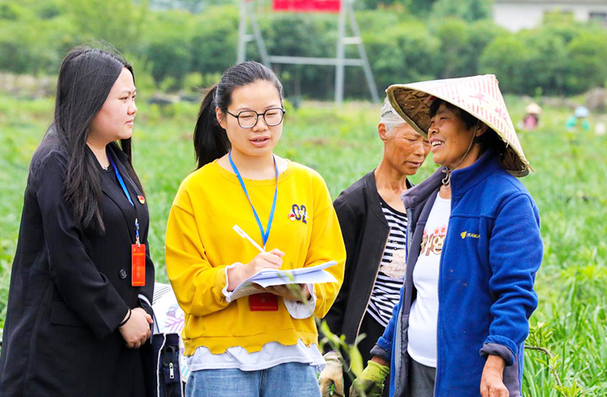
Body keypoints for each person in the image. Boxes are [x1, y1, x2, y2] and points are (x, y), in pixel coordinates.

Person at [352, 75, 543, 397]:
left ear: (478, 127)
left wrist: (495, 366)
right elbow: (413, 290)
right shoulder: (428, 198)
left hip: (468, 375)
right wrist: (383, 355)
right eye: (430, 122)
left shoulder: (507, 201)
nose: (432, 130)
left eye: (443, 120)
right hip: (413, 369)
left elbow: (514, 294)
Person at [165, 61, 346, 397]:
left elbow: (331, 269)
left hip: (294, 355)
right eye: (246, 116)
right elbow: (186, 285)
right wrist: (241, 275)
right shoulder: (196, 190)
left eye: (271, 114)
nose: (261, 127)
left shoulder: (309, 185)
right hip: (220, 360)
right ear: (221, 118)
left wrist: (302, 290)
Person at [0, 47, 155, 396]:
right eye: (124, 98)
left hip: (115, 343)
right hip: (61, 351)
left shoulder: (114, 155)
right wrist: (120, 316)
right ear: (91, 99)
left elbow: (137, 239)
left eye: (135, 97)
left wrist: (141, 304)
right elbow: (68, 258)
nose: (134, 108)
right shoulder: (56, 159)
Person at [320, 99, 431, 397]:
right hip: (364, 343)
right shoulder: (352, 205)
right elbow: (334, 286)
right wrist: (330, 354)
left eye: (427, 141)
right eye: (410, 139)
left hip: (412, 344)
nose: (420, 151)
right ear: (383, 131)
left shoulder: (425, 204)